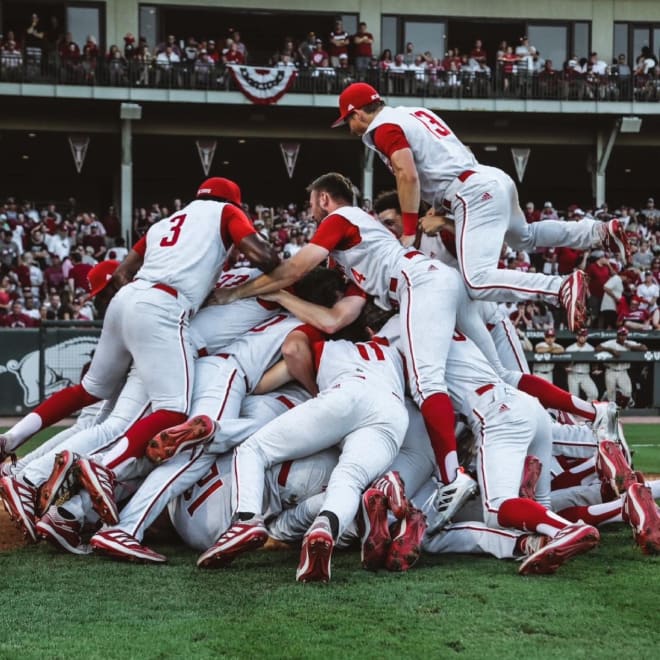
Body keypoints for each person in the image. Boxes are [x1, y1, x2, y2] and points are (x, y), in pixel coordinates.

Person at [208, 172, 479, 531]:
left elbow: (296, 275)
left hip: (416, 294)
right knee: (492, 376)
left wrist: (242, 293)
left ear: (323, 199)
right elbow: (339, 317)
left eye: (311, 205)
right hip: (430, 302)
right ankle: (452, 477)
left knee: (424, 389)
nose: (311, 216)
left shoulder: (340, 220)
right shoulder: (362, 257)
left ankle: (448, 480)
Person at [0, 178, 279, 474]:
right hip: (164, 305)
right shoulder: (225, 211)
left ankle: (11, 438)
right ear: (233, 201)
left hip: (127, 298)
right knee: (173, 410)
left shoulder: (166, 222)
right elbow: (264, 257)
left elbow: (120, 274)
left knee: (87, 391)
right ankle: (107, 470)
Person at [330, 82, 631, 332]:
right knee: (523, 236)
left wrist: (409, 229)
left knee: (477, 279)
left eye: (348, 121)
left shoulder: (383, 127)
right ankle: (597, 231)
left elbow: (406, 174)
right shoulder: (414, 112)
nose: (349, 127)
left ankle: (557, 287)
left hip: (470, 192)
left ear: (357, 113)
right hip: (487, 177)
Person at [596, 327, 647, 407]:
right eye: (621, 335)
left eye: (624, 335)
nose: (622, 337)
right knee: (611, 396)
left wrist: (630, 346)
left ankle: (627, 401)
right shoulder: (611, 343)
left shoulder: (629, 343)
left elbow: (644, 348)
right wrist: (611, 350)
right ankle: (614, 414)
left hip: (623, 371)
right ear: (617, 335)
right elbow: (597, 348)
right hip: (610, 371)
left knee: (627, 392)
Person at [564, 329, 599, 401]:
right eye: (581, 336)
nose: (582, 338)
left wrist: (595, 369)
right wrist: (566, 367)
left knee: (594, 394)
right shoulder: (570, 348)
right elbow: (563, 362)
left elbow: (594, 361)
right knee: (574, 399)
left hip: (585, 375)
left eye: (584, 336)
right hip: (573, 374)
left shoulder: (591, 348)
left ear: (586, 337)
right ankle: (575, 412)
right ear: (577, 337)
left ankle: (586, 410)